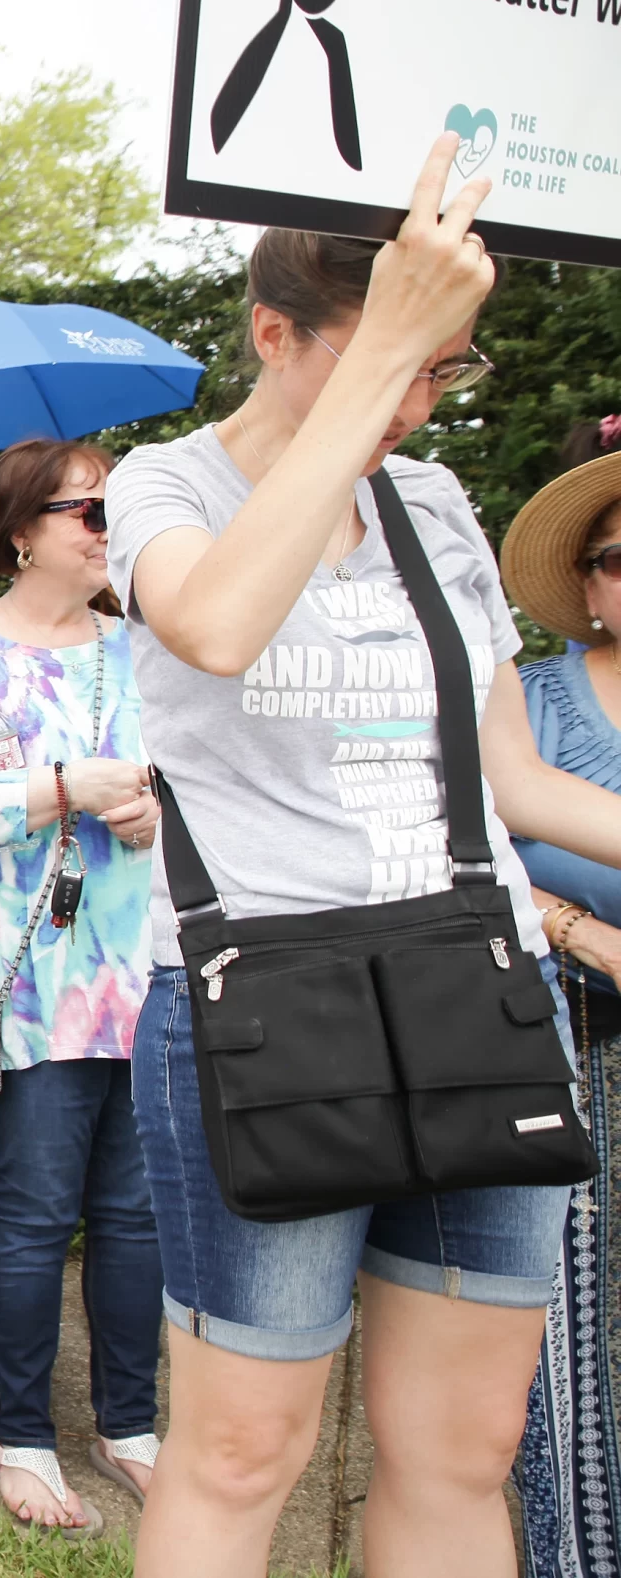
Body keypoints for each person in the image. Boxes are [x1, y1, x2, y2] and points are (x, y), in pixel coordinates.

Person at [107, 144, 621, 1576]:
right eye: (394, 360)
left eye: (443, 368)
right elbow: (215, 625)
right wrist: (386, 344)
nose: (415, 403)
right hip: (266, 1005)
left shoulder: (433, 501)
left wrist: (392, 361)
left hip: (476, 992)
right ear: (272, 333)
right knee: (241, 1451)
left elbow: (512, 777)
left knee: (466, 1447)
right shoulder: (165, 487)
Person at [0, 440, 162, 1534]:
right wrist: (59, 787)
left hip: (143, 976)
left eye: (113, 509)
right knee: (37, 1213)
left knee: (136, 1216)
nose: (107, 528)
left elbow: (195, 775)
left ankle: (128, 1424)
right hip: (28, 989)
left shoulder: (138, 647)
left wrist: (155, 811)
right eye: (87, 510)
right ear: (20, 533)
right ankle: (24, 1434)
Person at [490, 425, 621, 1578]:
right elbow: (467, 853)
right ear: (587, 584)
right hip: (566, 1036)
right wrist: (587, 935)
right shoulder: (529, 706)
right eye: (620, 557)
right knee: (566, 1338)